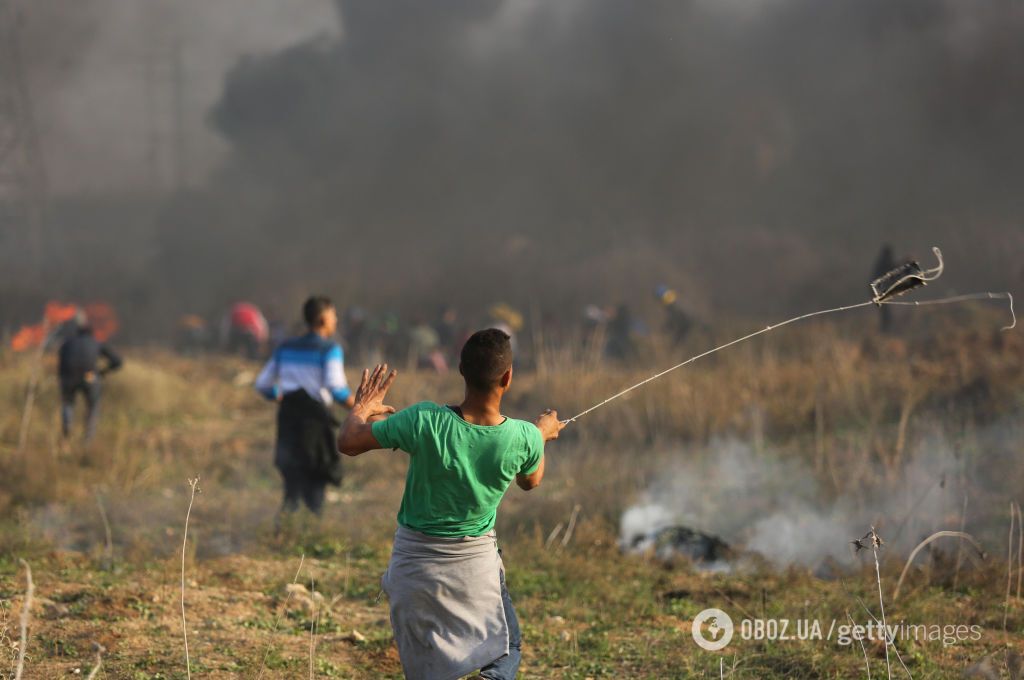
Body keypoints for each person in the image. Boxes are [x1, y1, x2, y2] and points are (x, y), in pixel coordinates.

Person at [338, 328, 565, 680]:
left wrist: (363, 408)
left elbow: (349, 441)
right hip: (475, 574)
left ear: (461, 370)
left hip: (412, 574)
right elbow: (530, 481)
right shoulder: (523, 436)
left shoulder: (424, 419)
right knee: (508, 649)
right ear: (508, 377)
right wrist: (541, 434)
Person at [255, 296, 355, 516]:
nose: (335, 320)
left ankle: (285, 530)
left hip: (289, 418)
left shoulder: (286, 347)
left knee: (292, 481)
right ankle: (311, 528)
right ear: (322, 319)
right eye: (333, 315)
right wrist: (362, 409)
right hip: (315, 422)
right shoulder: (329, 349)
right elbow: (337, 389)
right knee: (316, 480)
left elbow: (262, 384)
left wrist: (279, 396)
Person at [58, 311, 123, 442]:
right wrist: (103, 372)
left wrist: (63, 377)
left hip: (69, 377)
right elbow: (117, 361)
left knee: (68, 403)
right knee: (93, 407)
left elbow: (61, 360)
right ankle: (87, 439)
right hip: (90, 377)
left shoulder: (68, 343)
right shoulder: (96, 343)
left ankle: (67, 430)